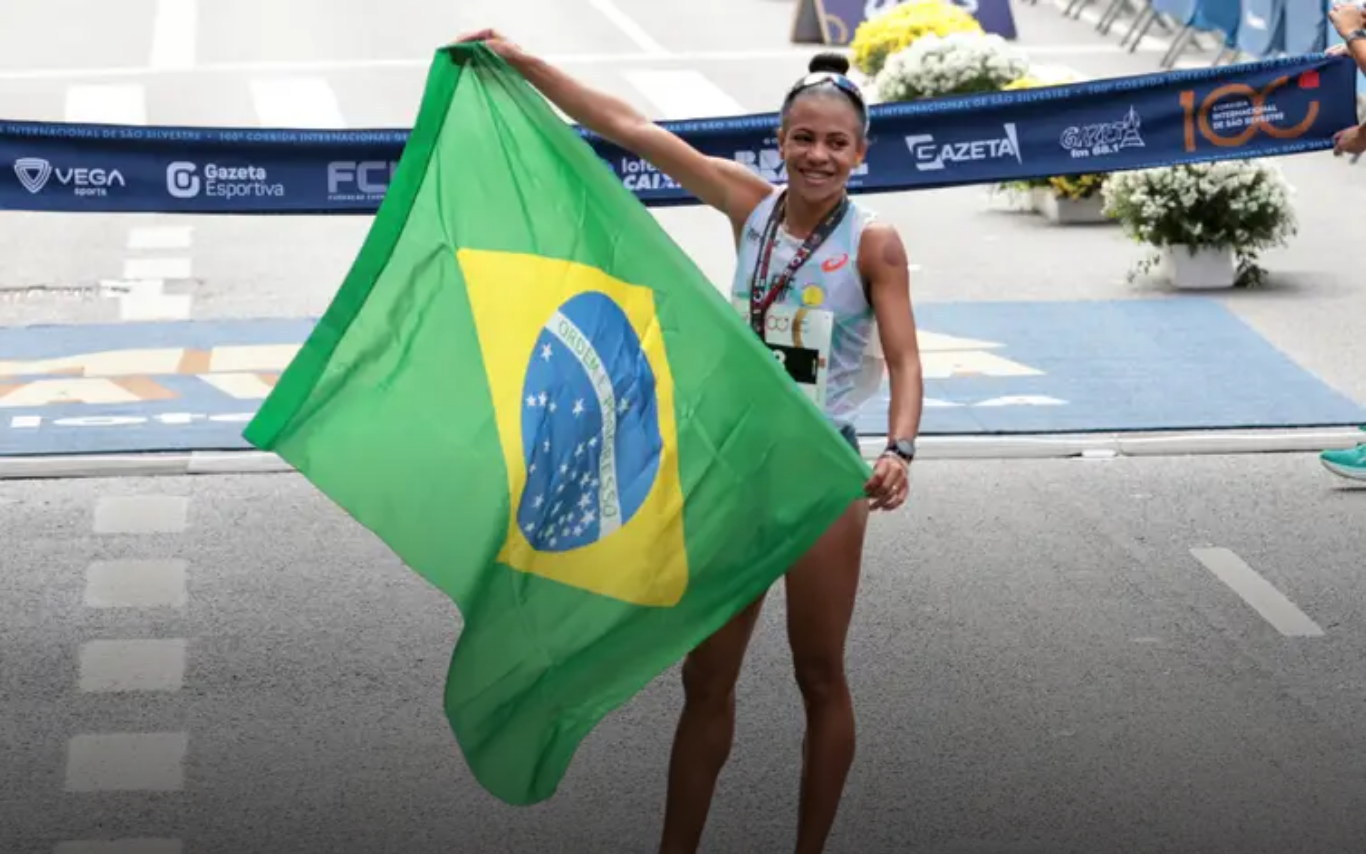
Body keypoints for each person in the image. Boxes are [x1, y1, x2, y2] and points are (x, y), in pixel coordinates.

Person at [451, 29, 926, 854]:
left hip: (822, 476)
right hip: (736, 472)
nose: (818, 155)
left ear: (861, 153)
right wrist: (523, 60)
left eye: (835, 143)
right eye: (803, 139)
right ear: (780, 144)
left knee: (818, 675)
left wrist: (900, 447)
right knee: (706, 678)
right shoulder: (751, 207)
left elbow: (904, 355)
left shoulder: (874, 243)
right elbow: (632, 129)